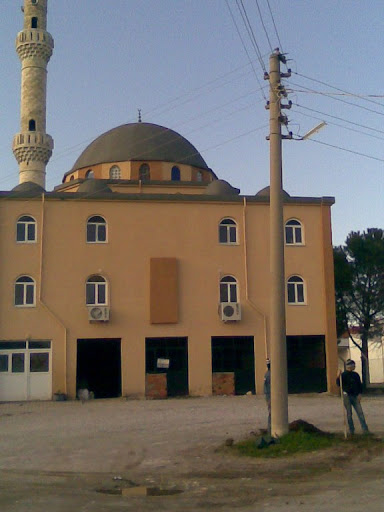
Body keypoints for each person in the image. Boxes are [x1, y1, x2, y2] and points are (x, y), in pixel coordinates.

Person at [337, 359, 369, 435]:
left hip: (355, 396)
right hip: (347, 396)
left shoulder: (356, 375)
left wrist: (360, 394)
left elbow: (359, 385)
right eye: (353, 365)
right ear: (350, 366)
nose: (354, 367)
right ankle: (351, 430)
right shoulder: (343, 375)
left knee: (360, 413)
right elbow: (339, 384)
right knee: (349, 413)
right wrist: (338, 376)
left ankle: (365, 429)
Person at [264, 358, 271, 434]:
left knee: (270, 412)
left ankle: (270, 429)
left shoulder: (267, 374)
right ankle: (270, 429)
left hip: (268, 395)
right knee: (271, 413)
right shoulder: (270, 374)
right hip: (270, 395)